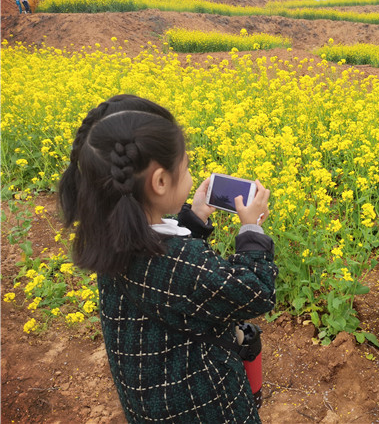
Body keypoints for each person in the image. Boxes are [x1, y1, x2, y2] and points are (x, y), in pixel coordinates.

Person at [58, 95, 277, 423]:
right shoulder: (181, 262)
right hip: (202, 407)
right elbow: (255, 291)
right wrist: (251, 232)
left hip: (149, 404)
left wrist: (196, 218)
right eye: (186, 167)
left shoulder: (110, 235)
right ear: (160, 182)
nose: (190, 175)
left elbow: (172, 283)